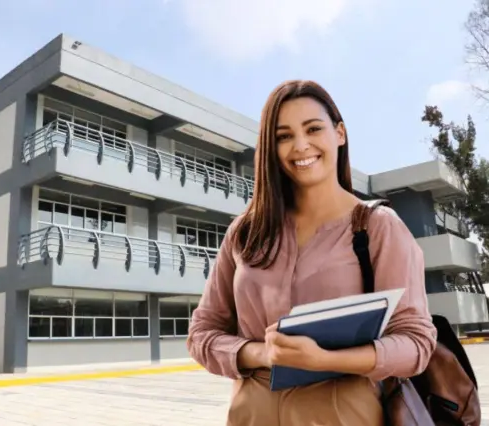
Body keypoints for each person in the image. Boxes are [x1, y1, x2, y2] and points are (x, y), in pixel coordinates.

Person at [186, 80, 438, 425]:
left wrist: (325, 359)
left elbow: (416, 343)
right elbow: (203, 332)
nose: (300, 146)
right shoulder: (244, 232)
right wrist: (261, 353)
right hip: (252, 413)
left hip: (344, 412)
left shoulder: (379, 227)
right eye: (283, 136)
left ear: (340, 133)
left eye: (313, 129)